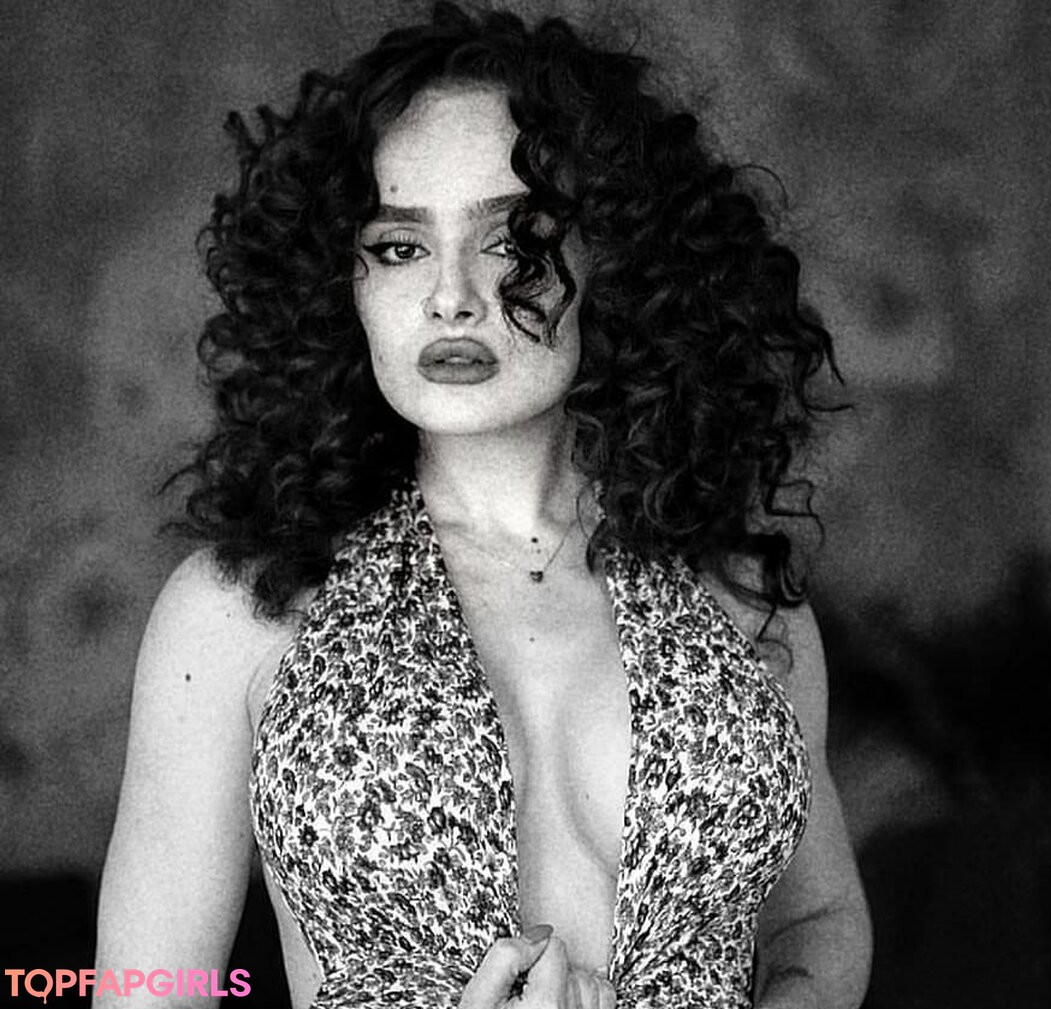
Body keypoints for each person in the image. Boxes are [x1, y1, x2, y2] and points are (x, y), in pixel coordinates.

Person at [94, 4, 872, 1007]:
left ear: (615, 256)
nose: (452, 296)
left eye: (514, 237)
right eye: (398, 246)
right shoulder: (239, 611)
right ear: (342, 284)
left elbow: (819, 922)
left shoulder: (744, 599)